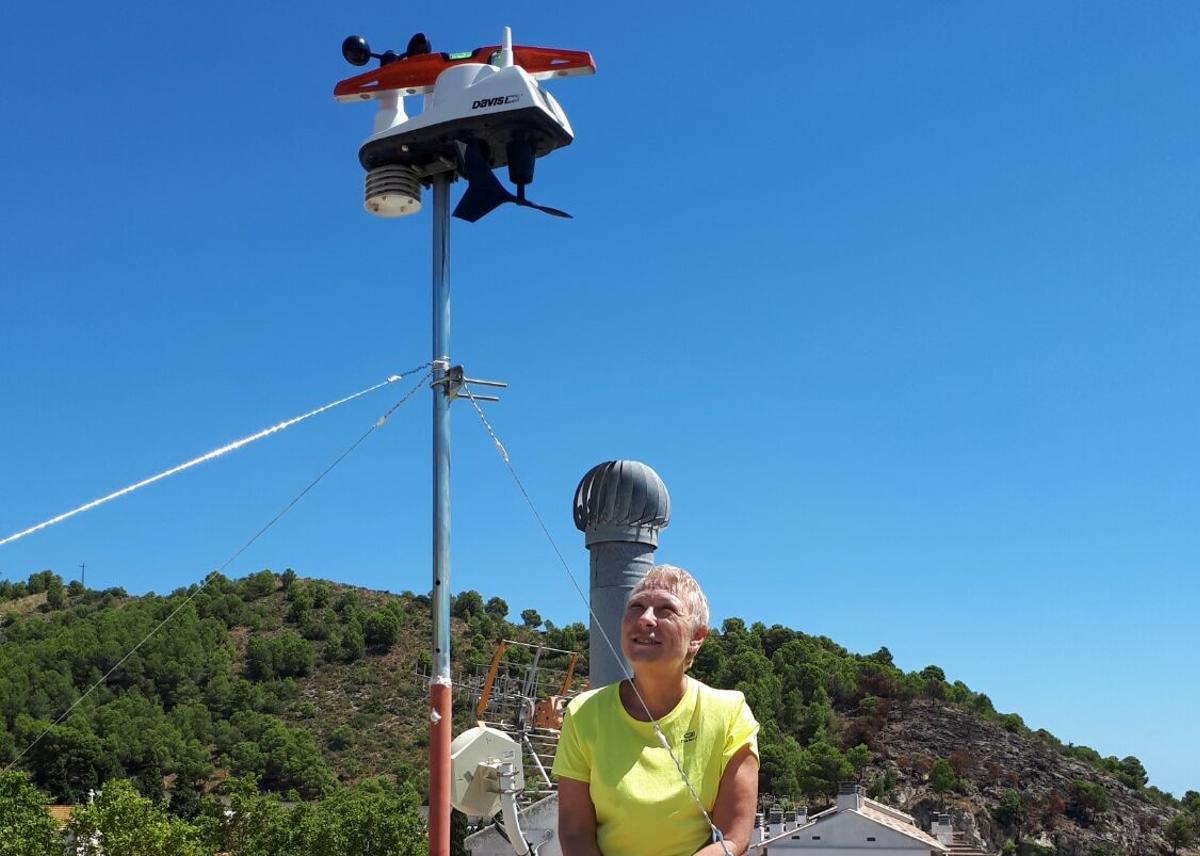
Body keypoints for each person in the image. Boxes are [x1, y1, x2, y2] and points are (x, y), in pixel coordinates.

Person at [553, 565, 760, 856]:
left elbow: (732, 837)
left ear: (697, 636)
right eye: (636, 607)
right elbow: (575, 832)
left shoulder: (729, 713)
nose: (646, 619)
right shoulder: (583, 713)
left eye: (665, 610)